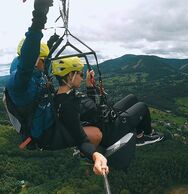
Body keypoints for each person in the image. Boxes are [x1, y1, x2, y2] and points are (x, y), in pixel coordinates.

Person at [6, 0, 109, 176]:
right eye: (44, 59)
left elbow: (39, 64)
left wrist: (51, 45)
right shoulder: (20, 83)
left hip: (50, 119)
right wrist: (39, 17)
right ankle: (89, 153)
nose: (46, 63)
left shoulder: (35, 74)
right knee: (96, 134)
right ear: (35, 60)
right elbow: (28, 58)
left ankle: (88, 147)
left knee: (92, 111)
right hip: (45, 134)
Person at [51, 57, 164, 153]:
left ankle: (139, 132)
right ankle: (143, 137)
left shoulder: (62, 95)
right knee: (142, 107)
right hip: (109, 130)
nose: (81, 77)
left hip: (105, 119)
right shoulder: (69, 103)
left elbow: (89, 110)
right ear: (71, 75)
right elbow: (94, 112)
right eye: (80, 74)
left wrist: (90, 86)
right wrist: (96, 95)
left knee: (131, 98)